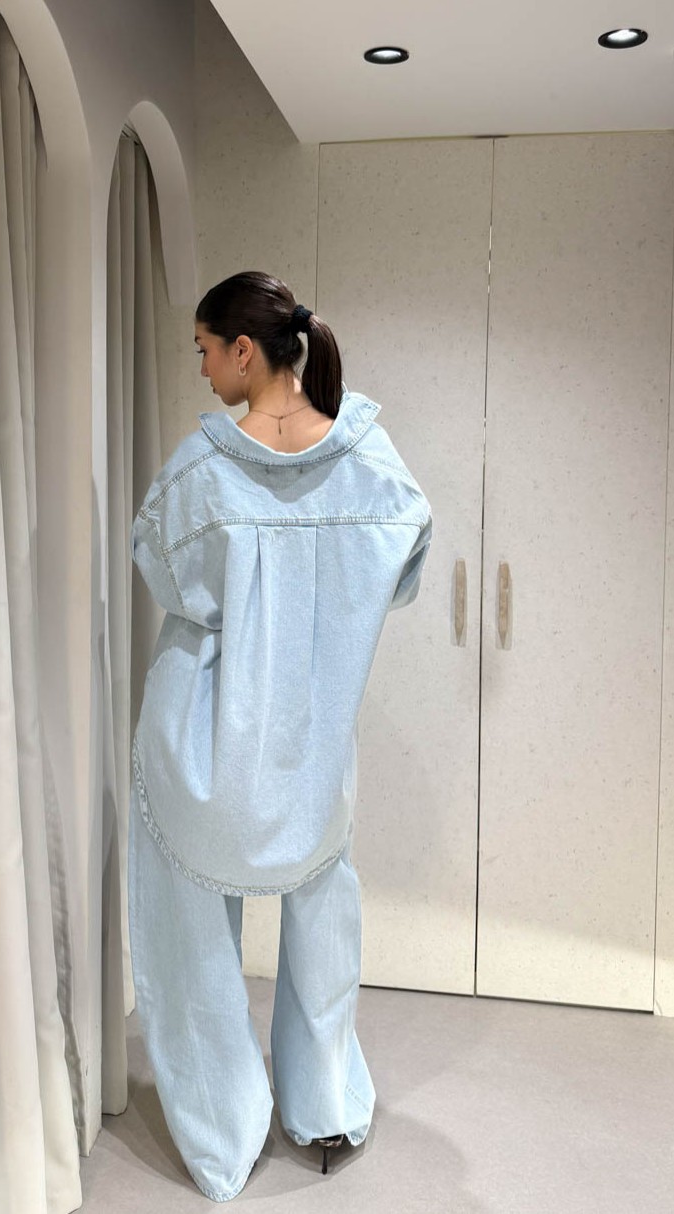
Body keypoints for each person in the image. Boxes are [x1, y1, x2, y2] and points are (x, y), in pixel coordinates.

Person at [128, 270, 432, 1202]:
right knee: (322, 917)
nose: (202, 370)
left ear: (242, 350)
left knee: (189, 937)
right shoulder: (373, 463)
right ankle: (325, 1106)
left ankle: (222, 1134)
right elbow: (406, 565)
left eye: (204, 351)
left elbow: (161, 574)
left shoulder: (199, 469)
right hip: (314, 744)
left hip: (201, 738)